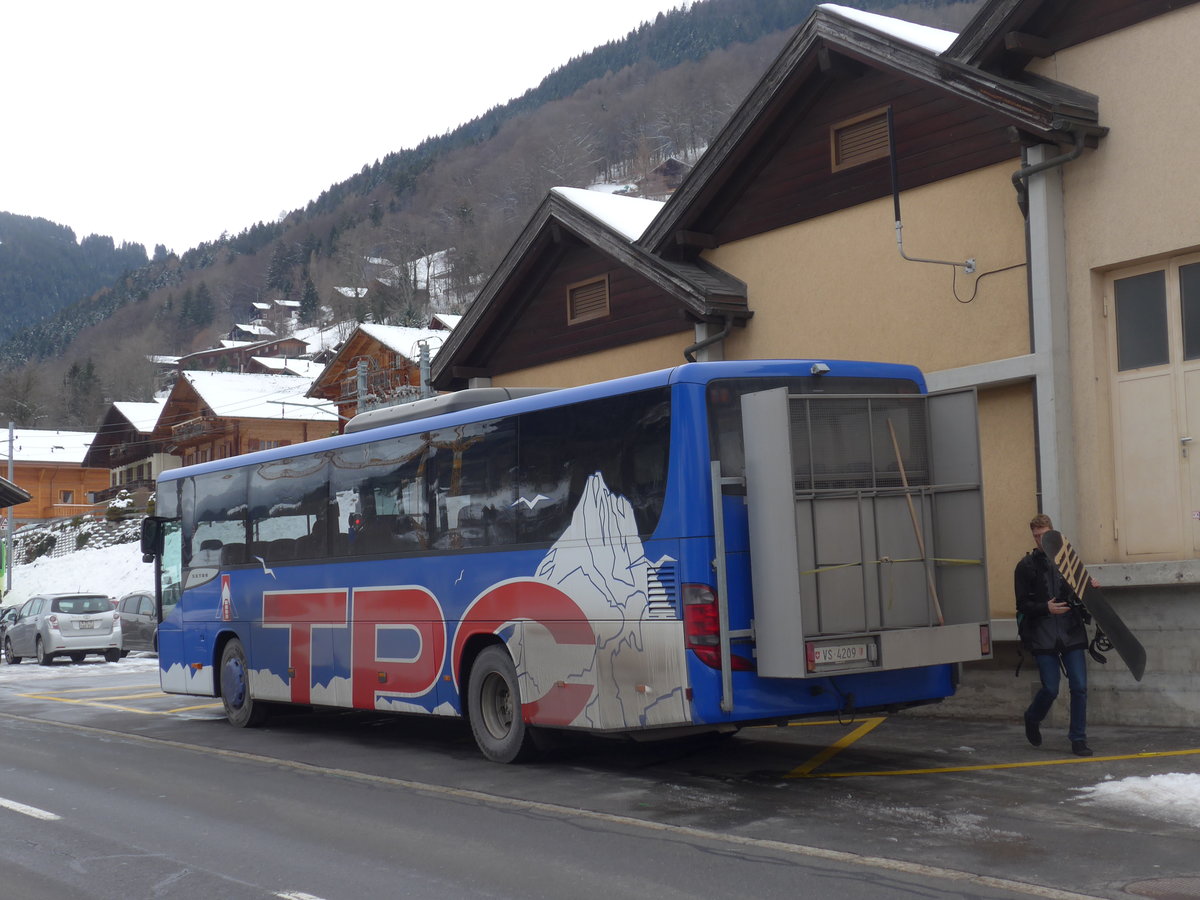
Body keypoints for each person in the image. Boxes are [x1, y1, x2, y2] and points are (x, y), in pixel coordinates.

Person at [1014, 513, 1095, 757]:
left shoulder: (1069, 561)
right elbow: (1021, 605)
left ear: (1052, 533)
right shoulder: (1025, 566)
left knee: (1079, 686)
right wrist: (1044, 607)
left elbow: (1082, 591)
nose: (1040, 539)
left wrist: (1092, 589)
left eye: (1044, 534)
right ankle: (1032, 717)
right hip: (1043, 633)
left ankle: (1078, 739)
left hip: (1071, 631)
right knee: (1050, 688)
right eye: (1036, 536)